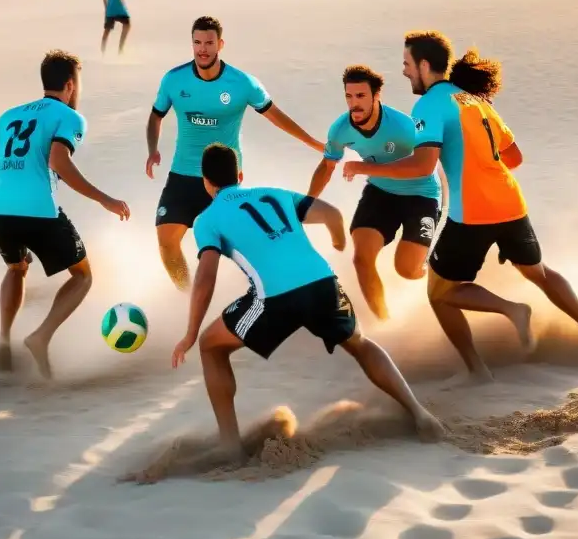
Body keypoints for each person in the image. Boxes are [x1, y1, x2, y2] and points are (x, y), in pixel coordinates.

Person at [343, 31, 578, 382]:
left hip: (473, 211)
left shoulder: (427, 105)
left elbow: (423, 166)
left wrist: (364, 167)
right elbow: (514, 157)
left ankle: (487, 353)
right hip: (511, 202)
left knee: (440, 294)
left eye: (408, 65)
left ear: (425, 66)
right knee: (540, 273)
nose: (406, 72)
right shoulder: (476, 101)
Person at [171, 143, 445, 459]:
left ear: (206, 183)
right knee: (360, 344)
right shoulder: (275, 194)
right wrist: (339, 240)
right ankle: (419, 413)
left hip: (276, 298)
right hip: (322, 284)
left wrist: (190, 334)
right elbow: (331, 213)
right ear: (241, 175)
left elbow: (205, 278)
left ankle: (230, 444)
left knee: (210, 345)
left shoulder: (207, 219)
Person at [0, 49, 130, 379]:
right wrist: (104, 199)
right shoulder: (69, 117)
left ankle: (3, 340)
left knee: (17, 268)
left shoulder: (10, 114)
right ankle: (40, 337)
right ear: (70, 85)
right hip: (39, 211)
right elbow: (59, 161)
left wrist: (13, 173)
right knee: (83, 276)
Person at [145, 15, 324, 291]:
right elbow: (156, 116)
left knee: (239, 246)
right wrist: (152, 149)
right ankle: (187, 296)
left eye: (208, 43)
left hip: (223, 179)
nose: (202, 49)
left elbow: (275, 116)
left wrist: (313, 142)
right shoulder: (173, 80)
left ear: (220, 44)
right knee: (167, 242)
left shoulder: (242, 83)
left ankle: (280, 286)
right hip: (182, 173)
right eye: (197, 43)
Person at [308, 64, 444, 321]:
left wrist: (366, 167)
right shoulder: (340, 130)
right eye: (349, 96)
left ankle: (436, 265)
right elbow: (327, 167)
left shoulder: (404, 126)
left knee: (407, 270)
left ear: (376, 96)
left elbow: (426, 167)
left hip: (422, 194)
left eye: (361, 96)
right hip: (381, 192)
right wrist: (307, 202)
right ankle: (385, 322)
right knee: (361, 259)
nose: (354, 104)